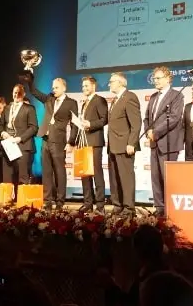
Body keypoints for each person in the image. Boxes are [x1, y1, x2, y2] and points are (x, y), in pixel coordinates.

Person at [27, 76, 78, 211]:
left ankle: (60, 200)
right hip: (46, 139)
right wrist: (30, 80)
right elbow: (34, 92)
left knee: (59, 171)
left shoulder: (71, 103)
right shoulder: (49, 98)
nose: (53, 89)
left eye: (56, 87)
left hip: (59, 141)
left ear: (64, 88)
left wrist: (71, 142)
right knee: (47, 171)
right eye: (53, 87)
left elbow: (74, 124)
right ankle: (47, 200)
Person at [143, 66, 184, 216]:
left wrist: (156, 132)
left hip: (168, 143)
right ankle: (159, 208)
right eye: (154, 78)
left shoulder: (176, 95)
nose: (155, 81)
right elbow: (147, 118)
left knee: (168, 179)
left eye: (158, 78)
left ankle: (170, 209)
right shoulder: (153, 97)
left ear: (168, 79)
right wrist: (148, 131)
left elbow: (173, 118)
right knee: (155, 178)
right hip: (154, 143)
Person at [106, 72, 141, 214]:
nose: (109, 84)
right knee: (114, 178)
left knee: (126, 178)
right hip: (113, 146)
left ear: (120, 83)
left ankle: (128, 208)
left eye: (111, 81)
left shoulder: (130, 97)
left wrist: (131, 143)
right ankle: (117, 205)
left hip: (125, 145)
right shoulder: (115, 100)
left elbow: (136, 124)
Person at [0, 84, 38, 191]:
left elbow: (33, 127)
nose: (17, 95)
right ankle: (7, 200)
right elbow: (0, 125)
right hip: (8, 145)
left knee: (22, 176)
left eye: (19, 93)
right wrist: (3, 133)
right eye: (15, 92)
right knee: (7, 177)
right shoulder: (7, 108)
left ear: (24, 94)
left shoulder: (29, 108)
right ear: (12, 93)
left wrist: (20, 138)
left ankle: (22, 201)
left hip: (22, 145)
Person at [77, 76, 108, 213]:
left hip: (95, 141)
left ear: (93, 86)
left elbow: (104, 119)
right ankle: (88, 202)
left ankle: (100, 205)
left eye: (86, 86)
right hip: (83, 142)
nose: (84, 88)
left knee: (96, 173)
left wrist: (90, 124)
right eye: (83, 86)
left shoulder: (99, 100)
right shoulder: (84, 102)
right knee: (85, 173)